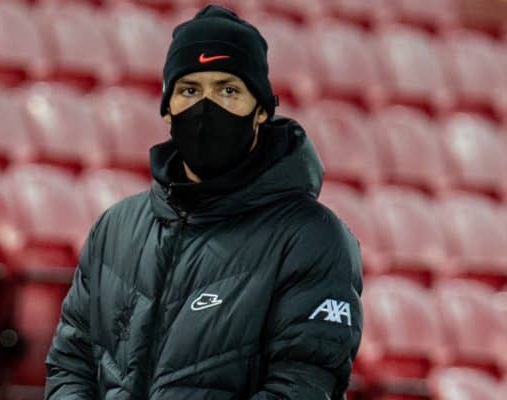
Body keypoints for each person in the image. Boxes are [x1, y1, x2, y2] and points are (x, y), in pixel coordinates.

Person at [45, 5, 363, 400]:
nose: (205, 108)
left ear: (261, 110)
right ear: (167, 109)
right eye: (189, 90)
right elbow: (70, 364)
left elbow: (302, 385)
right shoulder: (115, 229)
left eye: (228, 90)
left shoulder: (311, 237)